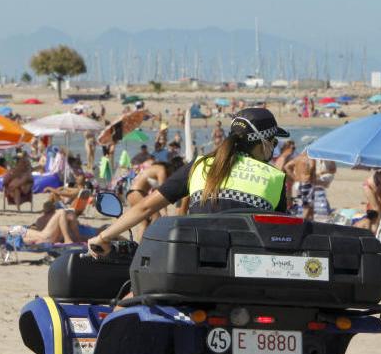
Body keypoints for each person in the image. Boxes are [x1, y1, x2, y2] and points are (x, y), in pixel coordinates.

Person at [87, 107, 290, 254]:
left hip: (194, 265)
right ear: (264, 142)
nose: (273, 148)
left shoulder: (200, 165)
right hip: (247, 271)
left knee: (126, 304)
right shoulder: (275, 177)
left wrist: (103, 237)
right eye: (274, 142)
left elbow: (145, 208)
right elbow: (280, 235)